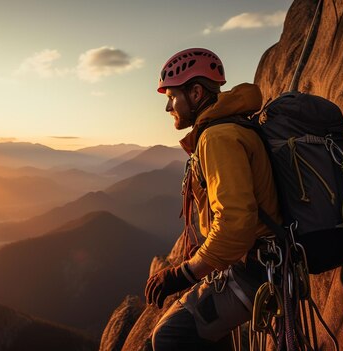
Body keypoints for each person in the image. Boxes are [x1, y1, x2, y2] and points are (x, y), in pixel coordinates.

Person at [144, 48, 281, 350]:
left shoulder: (217, 137)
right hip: (258, 261)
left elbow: (235, 222)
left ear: (195, 93)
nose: (169, 107)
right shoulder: (231, 126)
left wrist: (184, 273)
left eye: (172, 96)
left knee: (169, 337)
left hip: (254, 271)